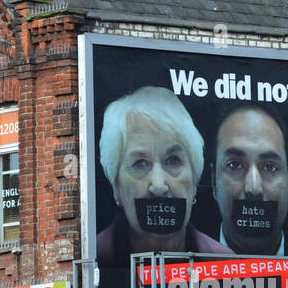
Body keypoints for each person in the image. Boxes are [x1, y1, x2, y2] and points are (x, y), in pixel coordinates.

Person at [96, 86, 228, 266]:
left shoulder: (226, 262)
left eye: (173, 161)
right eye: (140, 163)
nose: (158, 186)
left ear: (195, 181)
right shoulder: (94, 258)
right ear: (116, 187)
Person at [212, 106, 288, 256]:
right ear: (213, 182)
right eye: (234, 165)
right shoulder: (185, 273)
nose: (253, 188)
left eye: (270, 167)